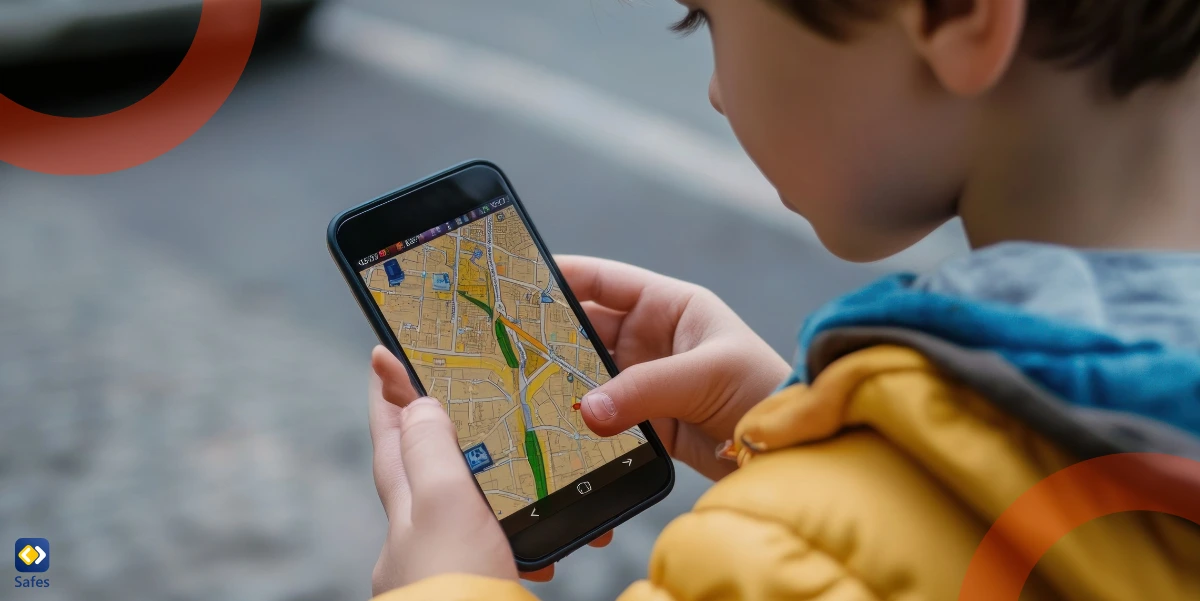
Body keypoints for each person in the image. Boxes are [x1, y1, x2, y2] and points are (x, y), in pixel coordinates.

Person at [365, 0, 1200, 599]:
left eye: (709, 20)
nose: (718, 93)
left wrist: (442, 586)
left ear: (955, 14)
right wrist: (797, 435)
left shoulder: (762, 566)